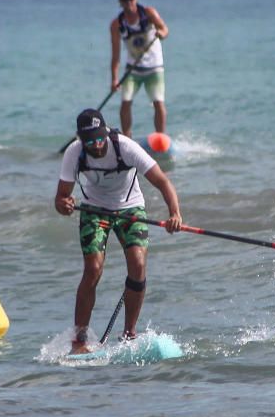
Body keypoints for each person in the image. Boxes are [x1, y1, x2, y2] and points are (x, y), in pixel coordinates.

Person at [55, 108, 182, 354]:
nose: (97, 144)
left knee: (137, 265)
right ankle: (79, 341)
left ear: (106, 131)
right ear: (81, 138)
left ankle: (129, 334)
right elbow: (61, 198)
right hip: (95, 209)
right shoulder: (74, 152)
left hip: (130, 208)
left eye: (100, 137)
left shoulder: (125, 147)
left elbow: (163, 182)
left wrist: (174, 214)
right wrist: (64, 205)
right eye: (90, 140)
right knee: (92, 269)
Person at [109, 0, 169, 139]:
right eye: (124, 1)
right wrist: (114, 79)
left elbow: (164, 29)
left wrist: (161, 33)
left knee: (158, 102)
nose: (128, 3)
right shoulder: (117, 24)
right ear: (120, 3)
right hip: (133, 69)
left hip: (154, 66)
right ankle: (127, 139)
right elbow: (115, 55)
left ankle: (160, 138)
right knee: (125, 102)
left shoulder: (148, 13)